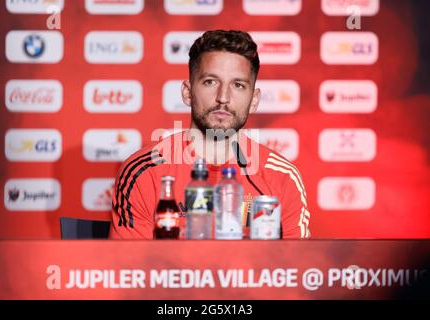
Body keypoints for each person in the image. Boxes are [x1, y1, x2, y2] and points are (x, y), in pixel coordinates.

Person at [109, 30, 310, 239]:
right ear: (187, 92)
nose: (223, 97)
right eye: (210, 82)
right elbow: (129, 268)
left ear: (255, 99)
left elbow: (295, 268)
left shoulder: (282, 178)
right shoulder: (143, 173)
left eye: (238, 85)